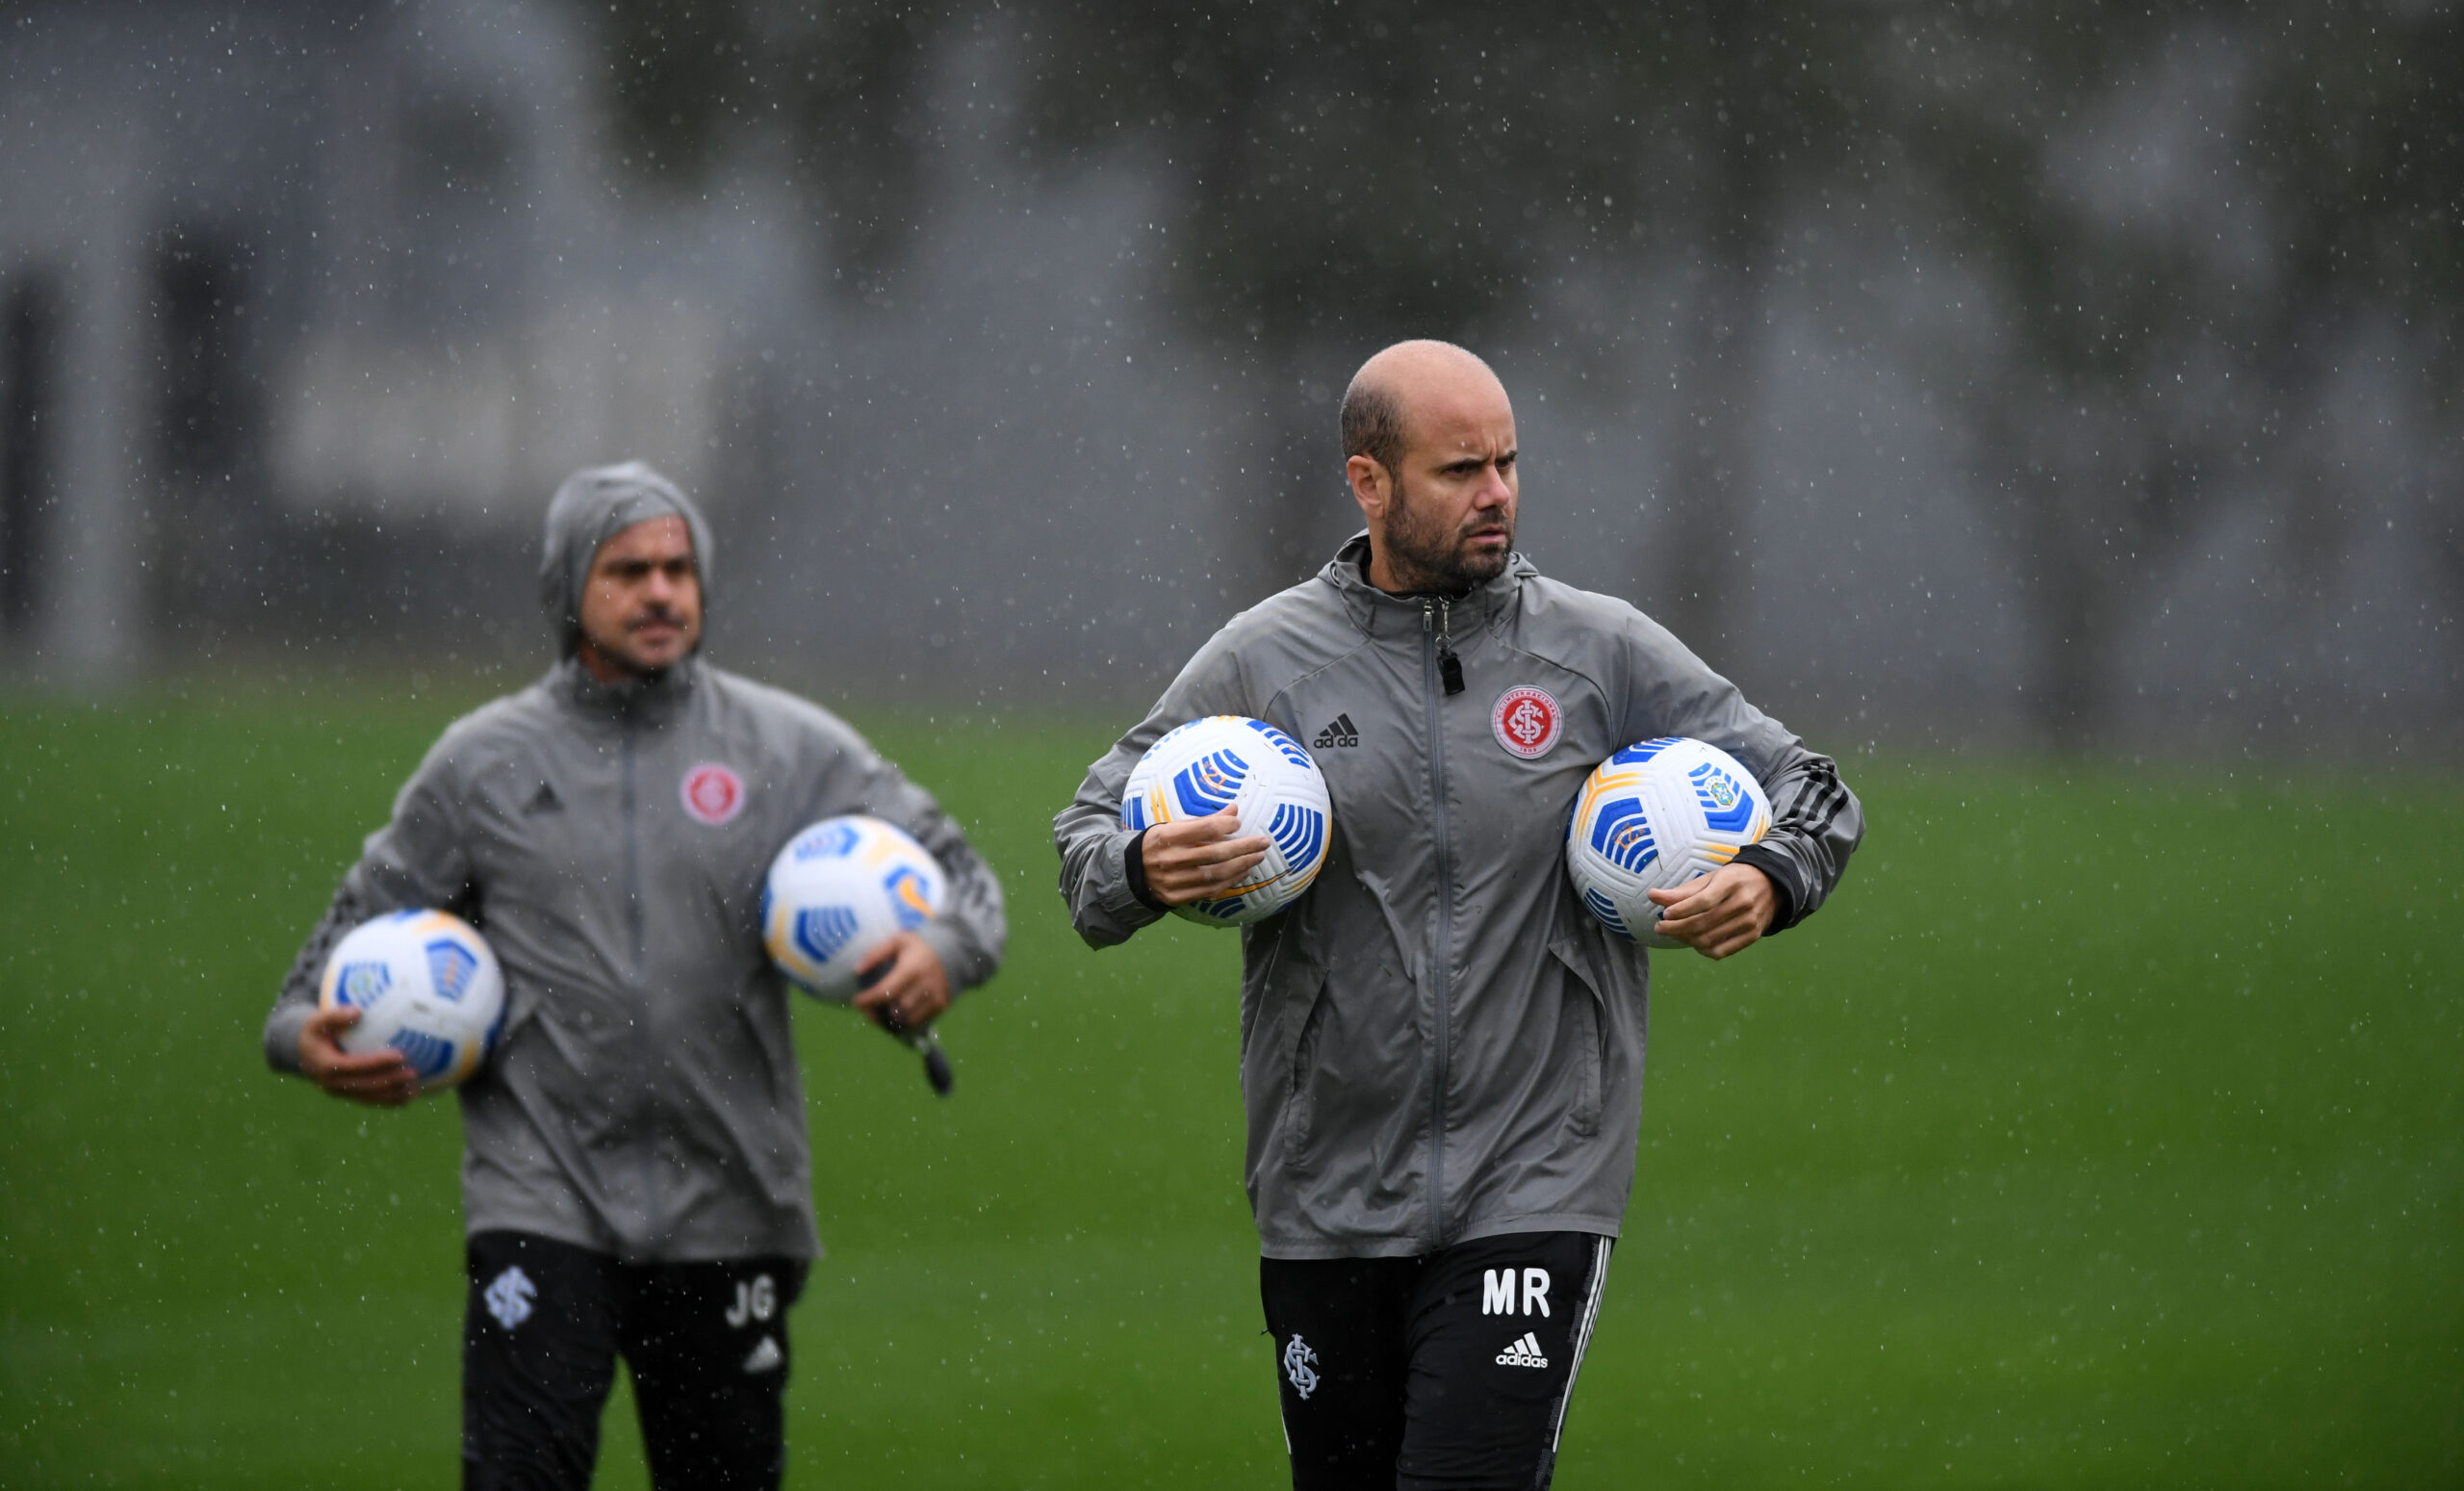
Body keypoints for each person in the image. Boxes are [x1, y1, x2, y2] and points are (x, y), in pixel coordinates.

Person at [1055, 342, 1862, 1490]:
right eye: (1459, 470)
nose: (1496, 494)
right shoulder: (1265, 660)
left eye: (1508, 463)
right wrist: (1142, 866)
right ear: (1368, 484)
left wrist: (1773, 877)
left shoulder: (1597, 649)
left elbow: (1813, 788)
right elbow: (1084, 844)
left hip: (1535, 1181)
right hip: (1323, 1193)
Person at [263, 461, 1005, 1491]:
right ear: (569, 591)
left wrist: (944, 952)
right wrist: (296, 1035)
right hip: (540, 1196)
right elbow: (348, 931)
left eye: (677, 569)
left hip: (731, 1201)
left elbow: (965, 879)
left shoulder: (787, 748)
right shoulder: (480, 764)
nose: (660, 592)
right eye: (627, 571)